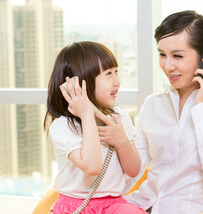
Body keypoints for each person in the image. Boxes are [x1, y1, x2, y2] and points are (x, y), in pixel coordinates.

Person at [124, 10, 203, 214]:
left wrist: (202, 105)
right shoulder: (153, 104)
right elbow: (132, 171)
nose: (167, 66)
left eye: (177, 56)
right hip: (140, 206)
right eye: (162, 55)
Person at [44, 41, 147, 214]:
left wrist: (121, 140)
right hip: (75, 206)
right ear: (79, 84)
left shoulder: (119, 118)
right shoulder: (62, 127)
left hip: (114, 205)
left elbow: (134, 170)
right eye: (108, 74)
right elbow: (92, 167)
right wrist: (86, 115)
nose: (117, 81)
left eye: (116, 72)